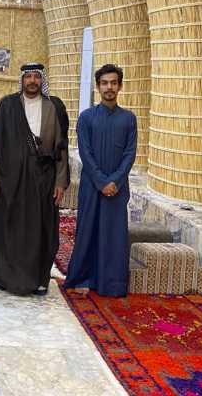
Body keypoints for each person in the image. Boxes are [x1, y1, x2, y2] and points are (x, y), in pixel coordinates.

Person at [0, 63, 70, 295]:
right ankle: (6, 276)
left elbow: (62, 147)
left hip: (44, 178)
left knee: (41, 228)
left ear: (42, 80)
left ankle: (38, 278)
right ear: (22, 80)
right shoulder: (7, 105)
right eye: (28, 76)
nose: (32, 81)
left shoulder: (55, 106)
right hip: (11, 178)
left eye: (36, 77)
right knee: (10, 225)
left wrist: (60, 182)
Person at [64, 63, 137, 297]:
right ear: (98, 86)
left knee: (114, 236)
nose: (109, 87)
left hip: (117, 189)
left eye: (113, 83)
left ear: (120, 86)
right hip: (92, 187)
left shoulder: (129, 119)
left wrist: (114, 181)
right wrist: (101, 182)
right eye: (104, 83)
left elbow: (130, 154)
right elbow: (85, 153)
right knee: (88, 231)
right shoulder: (86, 118)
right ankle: (83, 278)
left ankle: (112, 284)